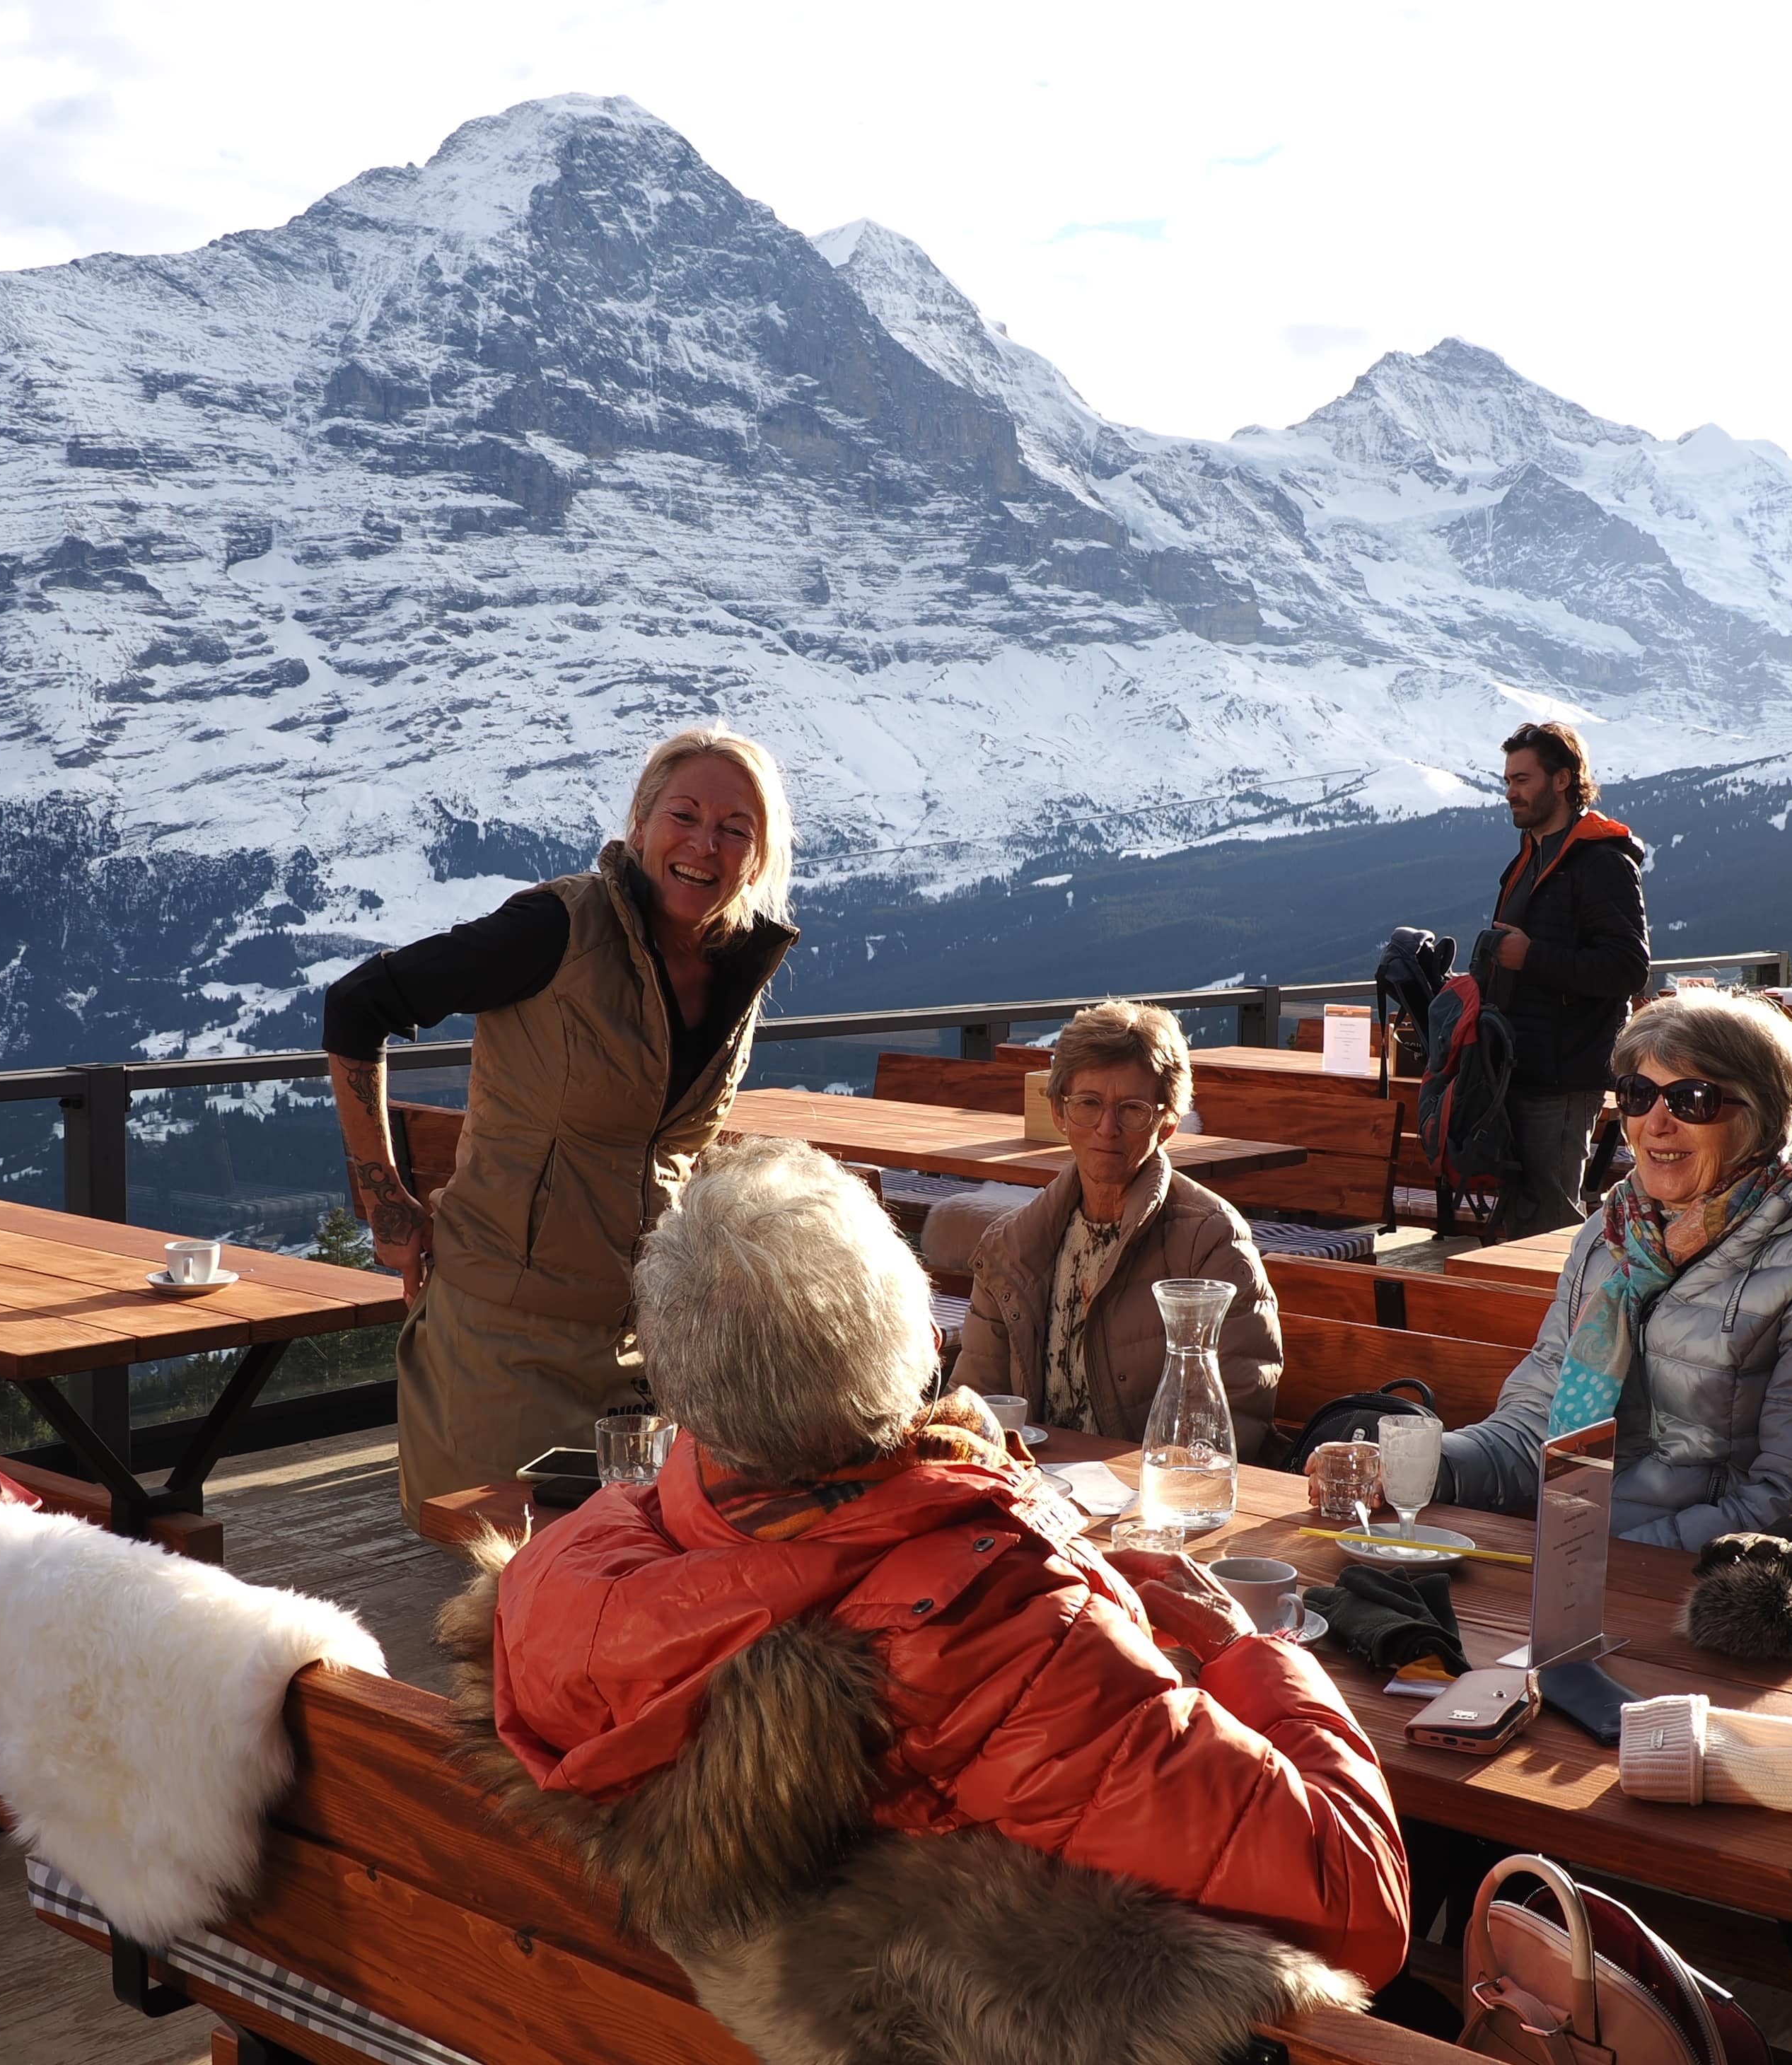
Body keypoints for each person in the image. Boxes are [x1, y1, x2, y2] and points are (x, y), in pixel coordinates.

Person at [447, 1137, 1409, 2054]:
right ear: (913, 1336)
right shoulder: (1011, 1635)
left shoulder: (582, 1579)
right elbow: (1362, 1902)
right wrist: (1250, 1652)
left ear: (685, 1382)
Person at [324, 725, 797, 1506]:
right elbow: (357, 1003)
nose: (704, 844)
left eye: (734, 828)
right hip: (507, 1342)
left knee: (640, 1565)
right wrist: (385, 1202)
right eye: (684, 816)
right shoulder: (557, 929)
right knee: (506, 1568)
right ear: (640, 823)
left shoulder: (735, 960)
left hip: (647, 1346)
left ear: (759, 854)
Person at [1434, 989, 1792, 1545]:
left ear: (1762, 1116)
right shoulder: (1613, 1233)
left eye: (1692, 1100)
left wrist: (1603, 1560)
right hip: (1580, 1550)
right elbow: (1534, 1430)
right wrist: (1417, 1466)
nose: (1656, 1123)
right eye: (1638, 1094)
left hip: (1711, 1576)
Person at [953, 1001, 1283, 1458]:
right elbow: (974, 1409)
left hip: (1153, 1487)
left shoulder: (1211, 1239)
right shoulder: (1009, 1246)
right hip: (1031, 1479)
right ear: (1059, 1112)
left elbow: (1235, 1414)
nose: (1107, 1128)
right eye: (1088, 1104)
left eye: (1132, 1109)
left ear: (1167, 1124)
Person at [1485, 720, 1651, 1235]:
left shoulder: (1601, 862)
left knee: (1550, 1219)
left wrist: (1531, 957)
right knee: (1521, 1215)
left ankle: (1565, 1290)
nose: (1511, 793)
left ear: (1562, 780)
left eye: (1523, 780)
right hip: (1516, 1068)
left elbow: (1628, 967)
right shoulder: (1530, 858)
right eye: (1508, 781)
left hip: (1563, 1075)